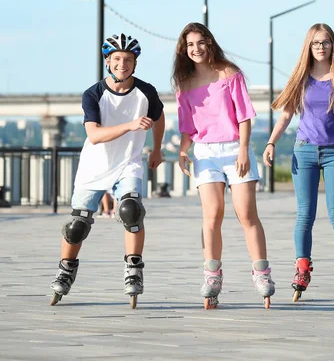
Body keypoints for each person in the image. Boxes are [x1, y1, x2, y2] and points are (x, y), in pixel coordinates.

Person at [49, 33, 165, 309]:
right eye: (116, 59)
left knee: (131, 210)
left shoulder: (146, 91)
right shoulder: (93, 94)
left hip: (129, 161)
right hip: (95, 164)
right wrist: (131, 125)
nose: (122, 64)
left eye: (128, 60)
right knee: (77, 226)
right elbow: (96, 135)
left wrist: (157, 148)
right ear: (107, 62)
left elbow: (158, 117)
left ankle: (133, 268)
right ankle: (66, 270)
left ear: (135, 64)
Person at [262, 23, 334, 303]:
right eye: (315, 43)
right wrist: (271, 142)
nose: (321, 47)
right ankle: (302, 268)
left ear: (333, 45)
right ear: (308, 47)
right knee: (305, 215)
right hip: (305, 151)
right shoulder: (300, 78)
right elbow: (286, 115)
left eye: (325, 42)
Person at [173, 22, 275, 309]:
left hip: (234, 149)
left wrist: (243, 149)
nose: (196, 49)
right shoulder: (184, 83)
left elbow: (243, 116)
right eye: (190, 44)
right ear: (184, 49)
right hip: (205, 153)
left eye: (200, 42)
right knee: (212, 215)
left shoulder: (230, 74)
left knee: (246, 214)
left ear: (210, 43)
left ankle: (261, 273)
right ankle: (212, 276)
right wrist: (183, 151)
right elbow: (187, 127)